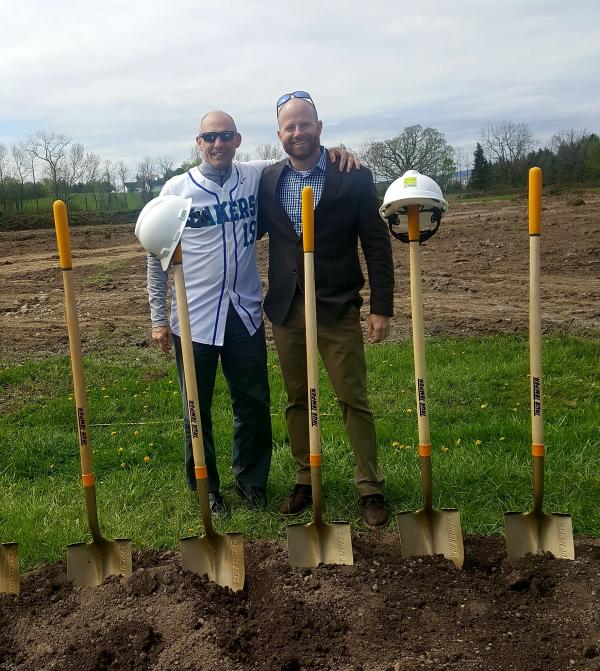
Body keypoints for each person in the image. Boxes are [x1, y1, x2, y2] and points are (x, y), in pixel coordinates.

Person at [146, 110, 358, 515]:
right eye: (210, 137)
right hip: (194, 319)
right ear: (198, 142)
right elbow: (155, 257)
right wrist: (159, 318)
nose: (218, 144)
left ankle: (251, 481)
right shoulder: (175, 190)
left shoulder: (255, 175)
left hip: (243, 312)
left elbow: (302, 157)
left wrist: (337, 153)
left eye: (225, 136)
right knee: (196, 406)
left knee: (253, 403)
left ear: (238, 140)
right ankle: (205, 485)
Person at [257, 92, 394, 528]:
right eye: (289, 127)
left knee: (352, 397)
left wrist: (381, 306)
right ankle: (305, 477)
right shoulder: (267, 180)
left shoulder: (350, 175)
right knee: (297, 398)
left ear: (320, 127)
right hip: (287, 308)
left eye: (305, 124)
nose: (298, 133)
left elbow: (375, 242)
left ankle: (369, 486)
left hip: (335, 306)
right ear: (279, 134)